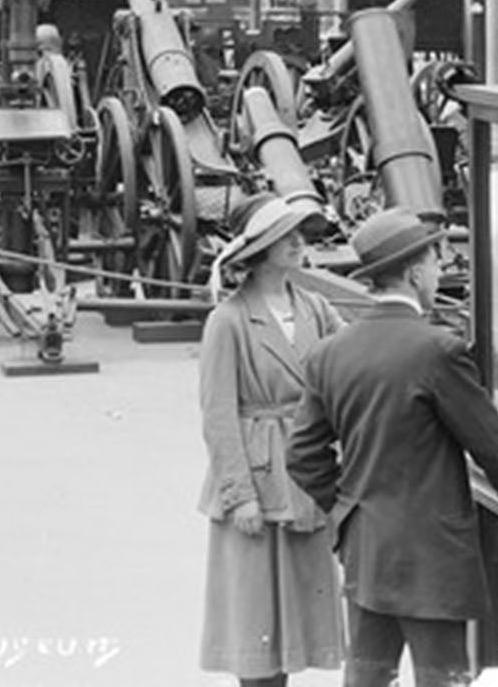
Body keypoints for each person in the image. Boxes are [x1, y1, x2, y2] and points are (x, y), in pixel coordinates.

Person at [286, 208, 498, 687]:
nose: (439, 270)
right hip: (432, 554)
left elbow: (301, 455)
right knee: (441, 676)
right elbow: (495, 448)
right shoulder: (437, 350)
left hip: (366, 547)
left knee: (367, 674)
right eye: (434, 261)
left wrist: (345, 509)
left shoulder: (329, 353)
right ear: (414, 272)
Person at [198, 193, 347, 687]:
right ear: (260, 249)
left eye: (301, 233)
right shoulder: (229, 320)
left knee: (301, 611)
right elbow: (218, 415)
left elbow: (348, 371)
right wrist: (239, 495)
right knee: (256, 620)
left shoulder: (318, 308)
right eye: (288, 236)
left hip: (306, 476)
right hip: (259, 483)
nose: (300, 243)